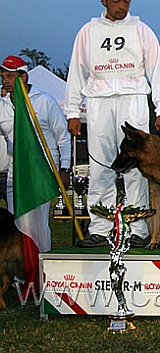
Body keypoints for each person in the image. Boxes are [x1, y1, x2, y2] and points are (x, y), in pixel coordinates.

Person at [65, 0, 160, 248]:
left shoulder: (142, 30)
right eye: (115, 1)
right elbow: (76, 72)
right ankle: (100, 228)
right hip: (99, 100)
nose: (121, 7)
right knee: (100, 165)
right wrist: (72, 112)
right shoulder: (88, 32)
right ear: (103, 0)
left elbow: (158, 71)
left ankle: (136, 228)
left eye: (126, 1)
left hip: (134, 99)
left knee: (136, 165)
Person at [0, 55, 71, 291]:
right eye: (2, 76)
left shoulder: (45, 101)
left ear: (23, 76)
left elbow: (63, 136)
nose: (5, 80)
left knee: (39, 225)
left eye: (10, 76)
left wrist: (64, 168)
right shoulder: (2, 105)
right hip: (15, 173)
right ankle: (20, 279)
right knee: (17, 223)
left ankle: (43, 276)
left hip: (42, 172)